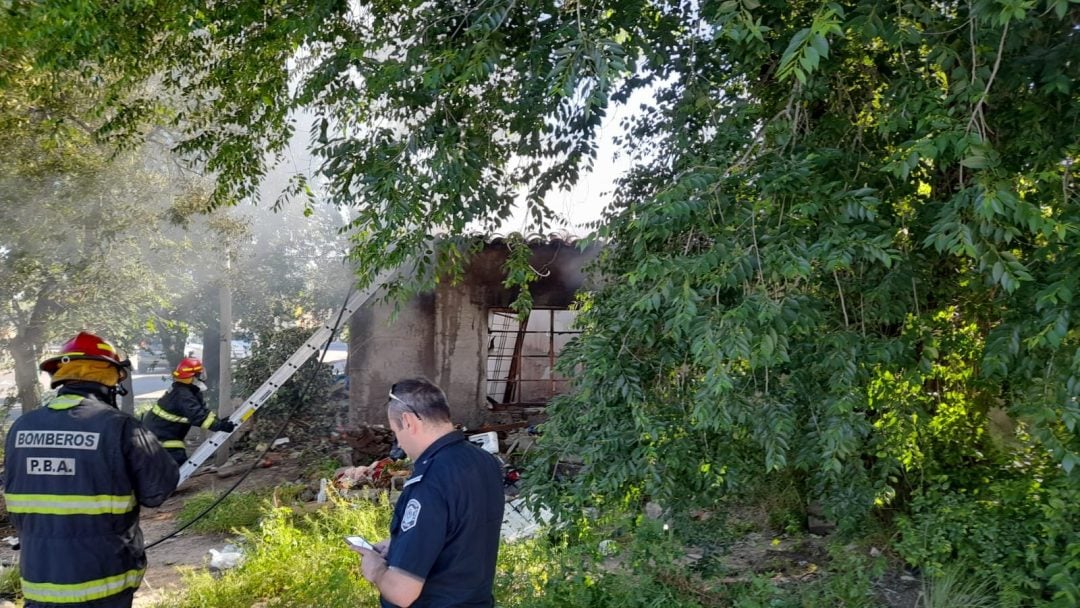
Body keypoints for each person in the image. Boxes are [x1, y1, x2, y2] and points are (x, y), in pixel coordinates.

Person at [3, 331, 180, 608]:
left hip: (40, 584)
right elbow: (158, 491)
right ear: (108, 380)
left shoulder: (21, 428)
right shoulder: (118, 425)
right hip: (103, 583)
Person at [351, 378, 504, 608]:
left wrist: (376, 569)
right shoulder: (484, 461)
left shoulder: (429, 481)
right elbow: (460, 535)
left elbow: (402, 592)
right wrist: (402, 546)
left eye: (395, 433)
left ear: (408, 421)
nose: (399, 444)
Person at [142, 356, 235, 466]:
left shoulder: (186, 391)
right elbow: (198, 417)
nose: (202, 376)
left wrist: (219, 422)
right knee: (175, 469)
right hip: (162, 441)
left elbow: (203, 412)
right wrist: (221, 426)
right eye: (199, 373)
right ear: (192, 377)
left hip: (161, 436)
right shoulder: (184, 395)